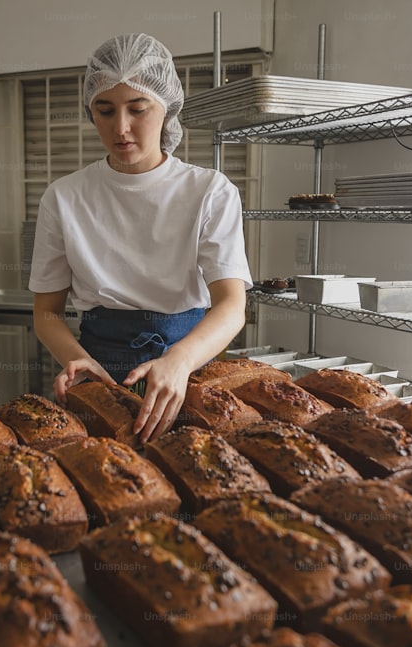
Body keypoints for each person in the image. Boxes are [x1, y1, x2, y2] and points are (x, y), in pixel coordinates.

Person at [28, 33, 252, 443]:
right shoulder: (65, 197)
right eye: (105, 110)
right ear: (90, 111)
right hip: (99, 370)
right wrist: (79, 363)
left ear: (166, 108)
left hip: (191, 367)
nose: (121, 127)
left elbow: (232, 306)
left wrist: (179, 361)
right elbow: (46, 313)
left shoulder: (209, 191)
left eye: (138, 108)